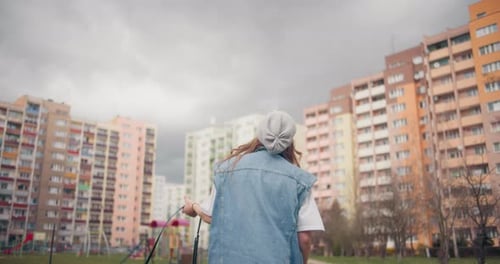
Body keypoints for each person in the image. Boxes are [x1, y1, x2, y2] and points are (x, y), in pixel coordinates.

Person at [183, 110, 324, 264]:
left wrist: (193, 207)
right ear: (290, 142)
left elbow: (210, 215)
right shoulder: (300, 181)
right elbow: (304, 238)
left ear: (260, 136)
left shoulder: (227, 170)